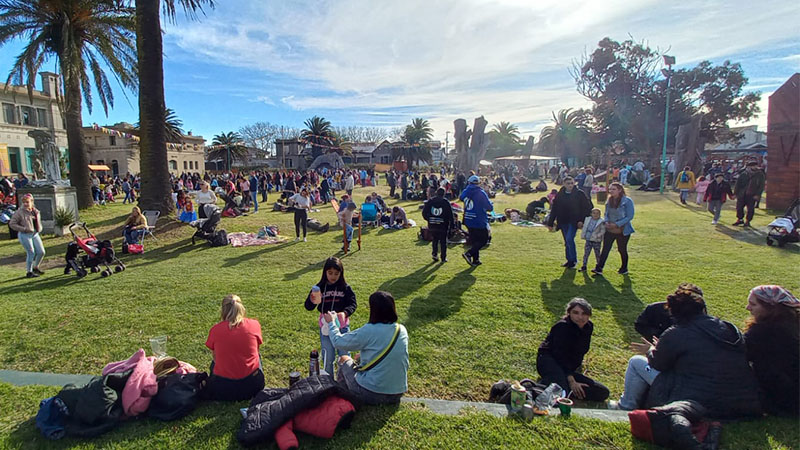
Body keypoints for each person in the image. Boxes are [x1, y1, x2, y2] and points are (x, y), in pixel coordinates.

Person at [610, 283, 761, 419]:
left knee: (636, 362)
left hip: (697, 402)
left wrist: (651, 350)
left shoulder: (676, 333)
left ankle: (625, 406)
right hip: (740, 401)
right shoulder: (728, 328)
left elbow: (659, 364)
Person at [325, 291, 408, 405]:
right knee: (359, 357)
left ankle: (342, 394)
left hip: (371, 394)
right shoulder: (401, 329)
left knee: (344, 358)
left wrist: (331, 322)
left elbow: (337, 341)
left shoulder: (369, 330)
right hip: (398, 393)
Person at [537, 298, 610, 402]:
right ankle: (544, 385)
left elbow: (579, 353)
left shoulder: (588, 327)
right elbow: (559, 355)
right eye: (575, 313)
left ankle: (558, 384)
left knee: (602, 392)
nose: (580, 317)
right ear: (569, 313)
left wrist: (574, 377)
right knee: (561, 392)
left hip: (568, 368)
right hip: (550, 360)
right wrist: (571, 380)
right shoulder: (562, 327)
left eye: (584, 313)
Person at [743, 285, 799, 416]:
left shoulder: (760, 333)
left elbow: (741, 356)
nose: (748, 308)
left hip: (782, 400)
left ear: (770, 309)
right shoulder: (794, 326)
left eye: (753, 304)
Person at [204, 294, 265, 401]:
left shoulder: (215, 330)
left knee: (215, 361)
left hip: (222, 389)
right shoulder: (254, 325)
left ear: (223, 310)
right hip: (253, 386)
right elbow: (256, 350)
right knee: (257, 356)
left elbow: (215, 358)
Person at [305, 257, 357, 375]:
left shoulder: (345, 288)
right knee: (328, 357)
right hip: (326, 328)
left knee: (344, 356)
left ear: (341, 273)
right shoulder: (320, 288)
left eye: (336, 273)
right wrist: (311, 300)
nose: (333, 276)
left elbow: (353, 304)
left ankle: (345, 379)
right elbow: (308, 307)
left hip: (342, 327)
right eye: (330, 273)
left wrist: (345, 313)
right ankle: (329, 382)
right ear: (325, 273)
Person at [546, 177, 593, 269]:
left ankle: (573, 260)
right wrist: (550, 223)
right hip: (563, 220)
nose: (570, 185)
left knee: (569, 239)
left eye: (572, 183)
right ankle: (569, 260)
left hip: (574, 221)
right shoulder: (560, 194)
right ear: (564, 184)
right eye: (568, 183)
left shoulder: (579, 194)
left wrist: (581, 220)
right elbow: (554, 209)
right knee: (566, 241)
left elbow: (587, 207)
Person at [593, 182, 634, 276]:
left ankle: (624, 268)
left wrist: (617, 224)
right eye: (610, 189)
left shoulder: (627, 201)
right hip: (610, 229)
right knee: (606, 248)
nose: (611, 191)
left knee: (622, 249)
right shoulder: (609, 200)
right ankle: (599, 268)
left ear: (620, 190)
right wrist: (607, 222)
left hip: (623, 230)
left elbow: (629, 216)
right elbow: (606, 213)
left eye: (613, 189)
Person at [9, 193, 45, 278]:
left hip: (35, 234)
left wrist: (39, 228)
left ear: (32, 201)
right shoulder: (19, 212)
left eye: (27, 202)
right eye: (23, 202)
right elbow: (12, 223)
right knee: (31, 252)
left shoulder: (35, 211)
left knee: (41, 252)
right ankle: (29, 272)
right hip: (25, 235)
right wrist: (24, 229)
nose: (25, 204)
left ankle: (35, 267)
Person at [460, 175, 493, 266]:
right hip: (478, 219)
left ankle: (476, 260)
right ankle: (469, 253)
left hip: (468, 219)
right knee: (483, 240)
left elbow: (461, 198)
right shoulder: (480, 193)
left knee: (475, 240)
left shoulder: (465, 192)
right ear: (478, 183)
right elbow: (489, 207)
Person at [422, 188, 454, 263]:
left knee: (435, 240)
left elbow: (424, 212)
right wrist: (452, 225)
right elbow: (450, 215)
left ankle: (434, 254)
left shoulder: (431, 201)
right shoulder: (445, 202)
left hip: (432, 225)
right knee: (443, 241)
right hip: (443, 225)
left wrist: (429, 219)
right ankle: (443, 257)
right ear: (444, 193)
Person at [733, 161, 765, 227]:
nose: (754, 167)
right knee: (739, 207)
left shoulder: (760, 174)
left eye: (755, 166)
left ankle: (748, 221)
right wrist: (735, 193)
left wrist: (757, 194)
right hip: (742, 194)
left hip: (752, 194)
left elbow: (761, 186)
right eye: (753, 166)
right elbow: (738, 184)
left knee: (750, 209)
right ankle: (740, 219)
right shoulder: (743, 173)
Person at [579, 208, 605, 272]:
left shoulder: (601, 222)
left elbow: (603, 230)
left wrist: (597, 236)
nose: (595, 215)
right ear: (591, 214)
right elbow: (585, 227)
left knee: (597, 254)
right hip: (588, 239)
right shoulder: (588, 220)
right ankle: (584, 266)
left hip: (596, 241)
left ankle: (599, 267)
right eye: (594, 213)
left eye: (597, 213)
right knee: (586, 253)